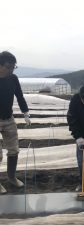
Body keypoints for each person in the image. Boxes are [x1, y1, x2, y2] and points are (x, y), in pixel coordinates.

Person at [0, 51, 31, 194]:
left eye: (13, 67)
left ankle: (11, 177)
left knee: (13, 150)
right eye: (8, 67)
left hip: (8, 119)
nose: (11, 70)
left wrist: (26, 113)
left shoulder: (13, 79)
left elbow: (19, 96)